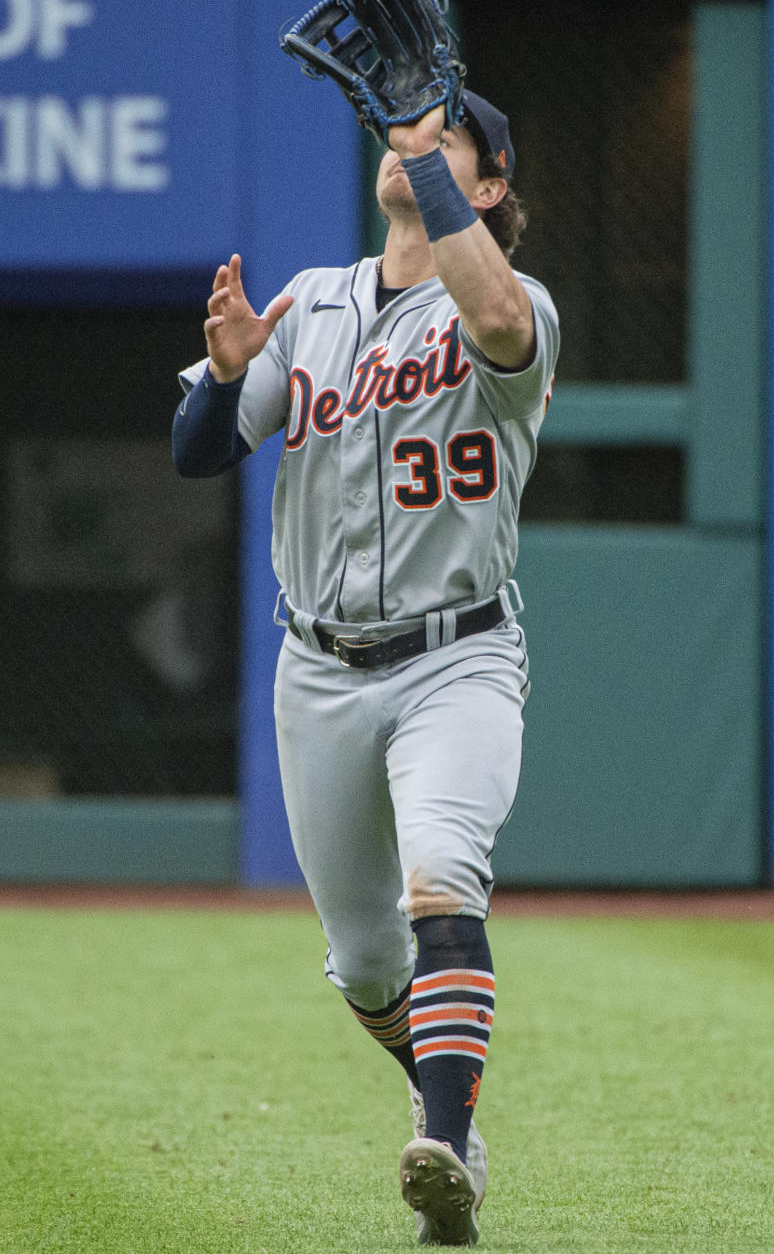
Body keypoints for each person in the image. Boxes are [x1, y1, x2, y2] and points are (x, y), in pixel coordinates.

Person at [172, 90, 559, 1246]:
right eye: (407, 140)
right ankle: (446, 1101)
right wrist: (229, 368)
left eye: (448, 145)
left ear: (486, 187)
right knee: (366, 959)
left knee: (443, 876)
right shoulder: (311, 304)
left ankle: (442, 1144)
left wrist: (425, 140)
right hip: (321, 670)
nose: (415, 155)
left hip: (460, 656)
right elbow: (195, 455)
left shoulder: (515, 299)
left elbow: (491, 320)